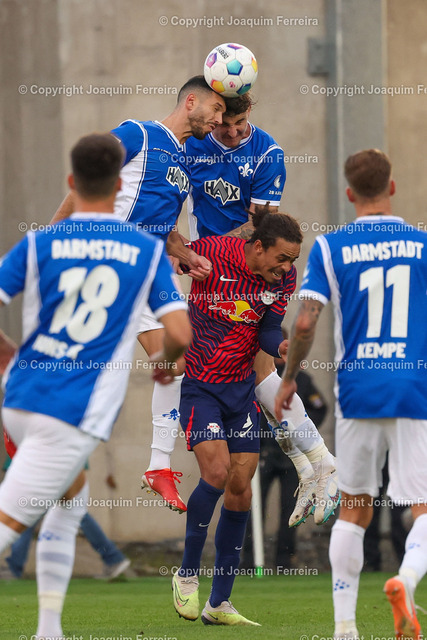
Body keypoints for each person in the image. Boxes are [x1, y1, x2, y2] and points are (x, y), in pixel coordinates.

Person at [0, 132, 192, 640]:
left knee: (72, 500)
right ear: (119, 186)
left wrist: (4, 351)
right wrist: (167, 365)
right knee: (7, 526)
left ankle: (49, 629)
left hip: (20, 397)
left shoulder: (41, 242)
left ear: (71, 182)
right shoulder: (142, 252)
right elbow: (179, 335)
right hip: (69, 412)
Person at [50, 76, 225, 514]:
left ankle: (157, 465)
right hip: (104, 268)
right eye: (216, 110)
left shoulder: (184, 164)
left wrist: (185, 252)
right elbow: (87, 180)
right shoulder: (139, 133)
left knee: (178, 361)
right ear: (191, 102)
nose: (220, 120)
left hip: (147, 275)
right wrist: (56, 239)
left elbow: (162, 226)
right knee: (80, 372)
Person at [275, 149, 427, 640]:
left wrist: (290, 375)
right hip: (413, 387)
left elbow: (304, 321)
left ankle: (344, 629)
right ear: (393, 188)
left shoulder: (329, 249)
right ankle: (405, 580)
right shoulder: (422, 244)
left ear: (348, 194)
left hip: (358, 389)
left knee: (355, 506)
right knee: (423, 507)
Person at [182, 92, 339, 526]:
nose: (230, 132)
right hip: (214, 269)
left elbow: (261, 225)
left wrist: (217, 254)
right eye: (222, 125)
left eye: (238, 123)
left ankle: (319, 461)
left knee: (254, 370)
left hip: (237, 269)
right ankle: (311, 464)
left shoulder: (267, 153)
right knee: (257, 373)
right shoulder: (191, 144)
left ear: (251, 111)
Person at [172, 209, 305, 626]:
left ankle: (219, 603)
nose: (287, 268)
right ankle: (187, 573)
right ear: (258, 246)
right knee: (215, 472)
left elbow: (268, 329)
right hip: (200, 386)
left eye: (292, 261)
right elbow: (167, 257)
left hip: (240, 391)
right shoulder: (211, 252)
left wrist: (279, 347)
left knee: (241, 489)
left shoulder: (282, 279)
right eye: (281, 258)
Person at [242, 355, 327, 571]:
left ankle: (284, 562)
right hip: (263, 454)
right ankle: (249, 562)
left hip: (291, 458)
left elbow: (319, 407)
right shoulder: (254, 377)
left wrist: (300, 432)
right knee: (253, 508)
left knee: (291, 510)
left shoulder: (302, 380)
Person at [0, 455, 131, 581]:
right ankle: (113, 558)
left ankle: (14, 567)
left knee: (33, 511)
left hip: (50, 461)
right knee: (71, 512)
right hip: (53, 461)